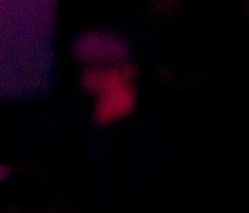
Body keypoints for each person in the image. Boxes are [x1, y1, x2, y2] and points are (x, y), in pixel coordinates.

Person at [68, 30, 181, 211]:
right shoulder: (79, 117)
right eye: (85, 67)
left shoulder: (155, 125)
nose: (90, 77)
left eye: (101, 68)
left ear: (128, 70)